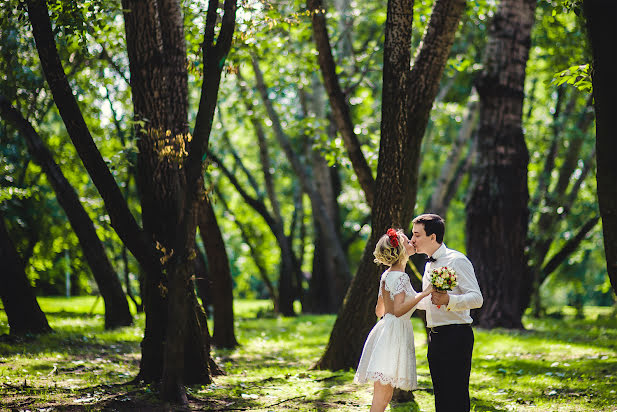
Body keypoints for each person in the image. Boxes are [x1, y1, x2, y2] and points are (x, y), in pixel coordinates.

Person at [354, 228, 433, 412]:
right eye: (407, 241)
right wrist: (425, 294)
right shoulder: (402, 277)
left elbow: (379, 309)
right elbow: (398, 311)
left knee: (384, 395)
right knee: (382, 397)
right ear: (401, 251)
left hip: (385, 329)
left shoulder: (387, 275)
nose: (411, 242)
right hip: (394, 333)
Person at [411, 213, 483, 412]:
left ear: (432, 237)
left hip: (457, 335)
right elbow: (430, 303)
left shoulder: (458, 261)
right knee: (441, 394)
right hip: (435, 336)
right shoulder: (428, 265)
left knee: (457, 394)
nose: (412, 240)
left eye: (417, 235)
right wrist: (405, 302)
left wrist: (449, 300)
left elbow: (477, 299)